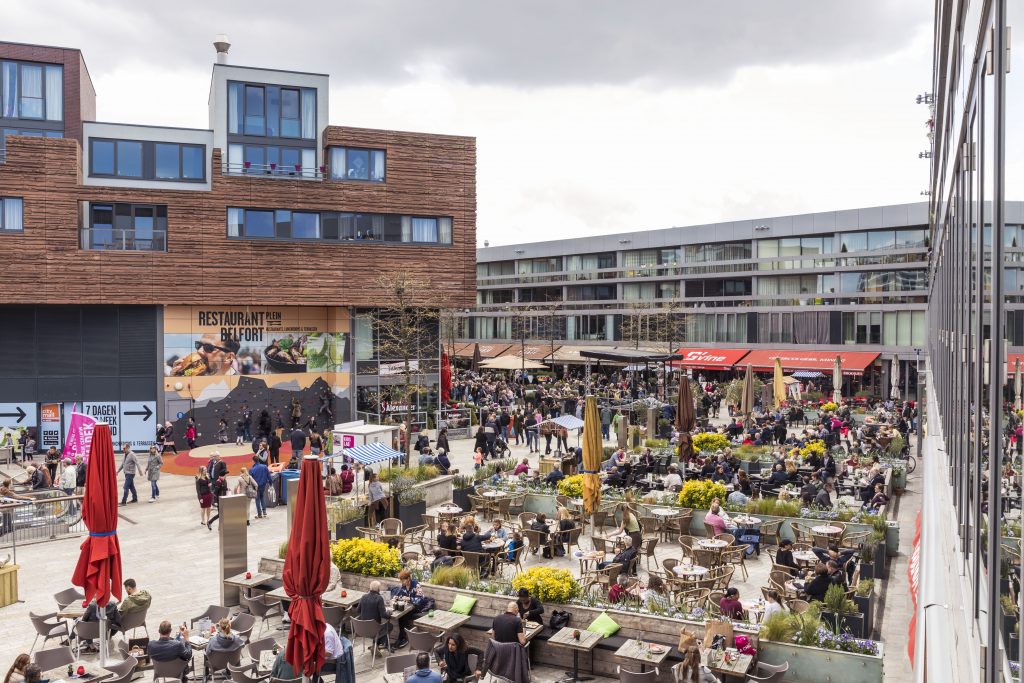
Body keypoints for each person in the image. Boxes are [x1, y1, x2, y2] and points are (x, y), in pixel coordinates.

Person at [359, 580, 393, 650]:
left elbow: (357, 610)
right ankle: (380, 644)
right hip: (374, 630)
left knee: (378, 626)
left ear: (370, 588)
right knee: (389, 626)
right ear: (378, 589)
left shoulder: (363, 597)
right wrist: (389, 614)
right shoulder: (379, 598)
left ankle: (376, 644)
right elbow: (383, 615)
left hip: (362, 629)